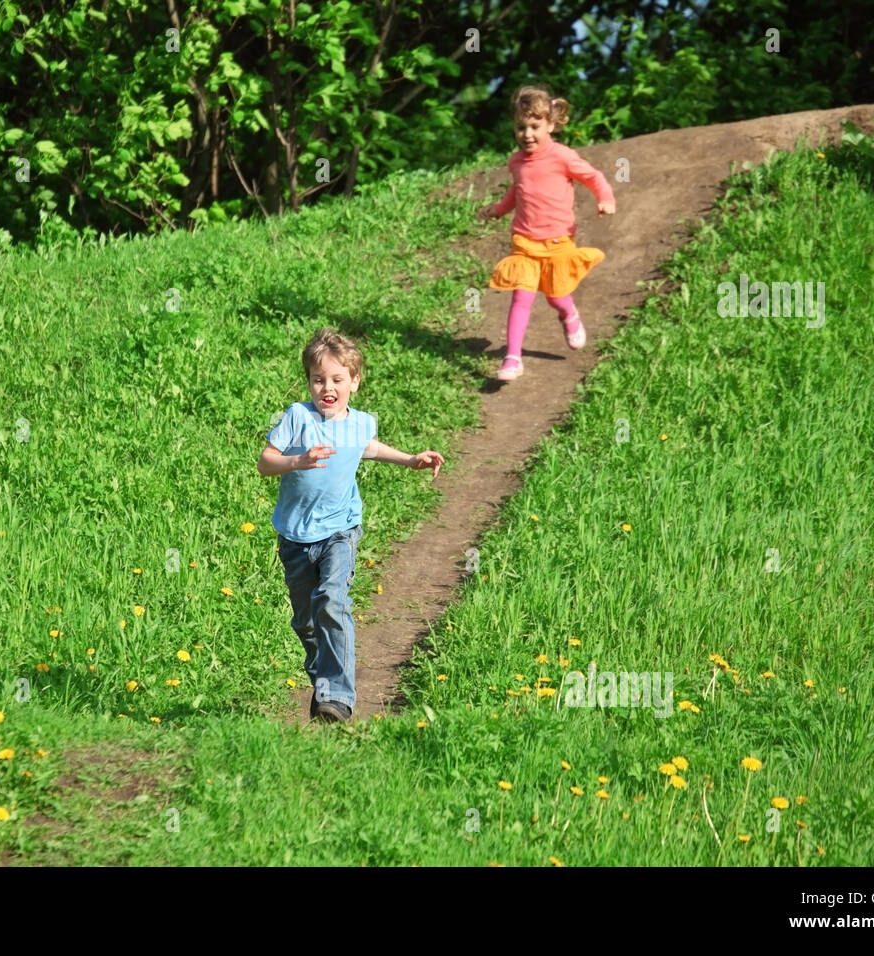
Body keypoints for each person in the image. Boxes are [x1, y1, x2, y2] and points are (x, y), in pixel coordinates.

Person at [257, 328, 445, 723]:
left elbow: (369, 449)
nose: (327, 387)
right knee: (307, 623)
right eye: (318, 379)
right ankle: (325, 686)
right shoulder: (297, 417)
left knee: (332, 601)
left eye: (337, 379)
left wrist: (410, 459)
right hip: (294, 536)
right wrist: (297, 461)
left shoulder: (361, 423)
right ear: (308, 381)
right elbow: (265, 462)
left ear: (354, 382)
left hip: (340, 530)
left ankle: (338, 699)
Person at [478, 85, 616, 381]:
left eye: (535, 127)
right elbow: (518, 191)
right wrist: (499, 210)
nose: (527, 134)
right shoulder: (516, 162)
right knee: (521, 298)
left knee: (556, 295)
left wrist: (605, 199)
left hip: (558, 242)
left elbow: (594, 177)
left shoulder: (562, 156)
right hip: (525, 244)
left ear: (551, 125)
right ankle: (513, 358)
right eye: (520, 127)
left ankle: (570, 315)